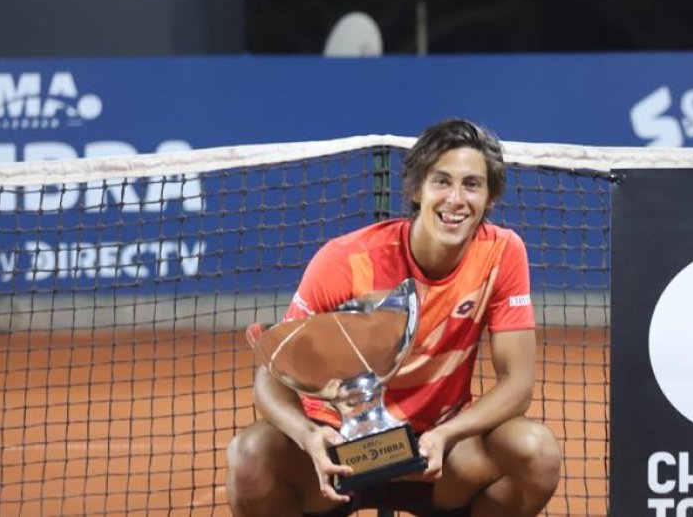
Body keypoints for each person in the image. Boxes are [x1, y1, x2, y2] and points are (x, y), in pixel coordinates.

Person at [226, 119, 561, 517]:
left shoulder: (502, 253)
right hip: (339, 454)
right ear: (417, 190)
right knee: (249, 456)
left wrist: (446, 434)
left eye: (472, 184)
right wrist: (308, 435)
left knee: (535, 452)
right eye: (442, 182)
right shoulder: (345, 261)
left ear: (490, 198)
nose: (456, 199)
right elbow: (271, 377)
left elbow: (518, 385)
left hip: (438, 455)